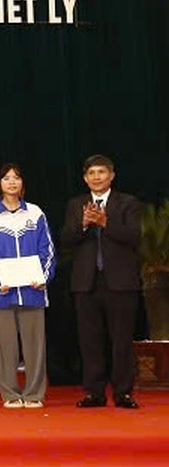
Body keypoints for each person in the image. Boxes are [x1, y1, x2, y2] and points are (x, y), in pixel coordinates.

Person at [61, 155, 142, 409]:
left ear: (112, 175)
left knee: (121, 340)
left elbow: (133, 236)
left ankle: (123, 393)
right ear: (85, 178)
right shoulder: (76, 205)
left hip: (120, 282)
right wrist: (84, 224)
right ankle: (94, 392)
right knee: (89, 340)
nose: (96, 177)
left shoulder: (127, 203)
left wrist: (105, 222)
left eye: (101, 172)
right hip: (86, 283)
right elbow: (65, 239)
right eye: (91, 173)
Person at [0, 163, 56, 409]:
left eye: (16, 178)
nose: (12, 182)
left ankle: (34, 393)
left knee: (35, 346)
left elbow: (48, 249)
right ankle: (10, 393)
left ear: (22, 183)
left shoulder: (35, 213)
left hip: (33, 291)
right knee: (6, 347)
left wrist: (43, 277)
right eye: (6, 178)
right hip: (3, 293)